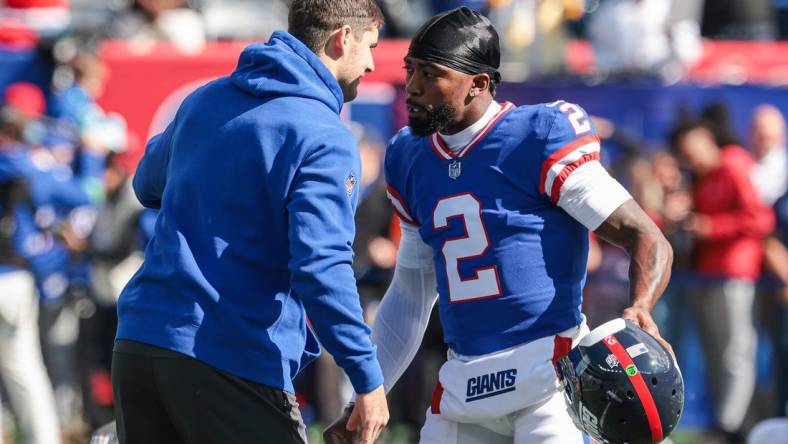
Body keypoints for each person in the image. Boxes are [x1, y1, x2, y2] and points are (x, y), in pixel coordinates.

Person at [324, 7, 673, 444]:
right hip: (463, 384)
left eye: (431, 75)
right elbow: (412, 292)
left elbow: (645, 235)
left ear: (479, 84)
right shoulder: (408, 156)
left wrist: (641, 305)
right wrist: (366, 395)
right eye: (410, 70)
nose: (412, 87)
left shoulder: (538, 134)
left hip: (548, 380)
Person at [111, 1, 390, 443]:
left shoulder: (205, 99)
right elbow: (321, 268)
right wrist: (368, 378)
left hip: (141, 345)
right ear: (342, 39)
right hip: (229, 355)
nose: (374, 62)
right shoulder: (324, 135)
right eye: (370, 46)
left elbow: (147, 183)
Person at [672, 119, 775, 442]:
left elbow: (760, 218)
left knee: (735, 352)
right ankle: (727, 421)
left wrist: (710, 227)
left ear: (708, 139)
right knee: (716, 353)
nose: (692, 158)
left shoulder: (733, 165)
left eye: (694, 149)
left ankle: (730, 423)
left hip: (735, 273)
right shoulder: (702, 176)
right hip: (707, 274)